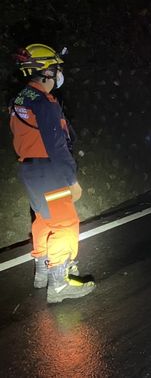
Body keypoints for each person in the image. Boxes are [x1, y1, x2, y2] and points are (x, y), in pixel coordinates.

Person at [9, 44, 95, 304]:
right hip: (49, 171)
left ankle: (42, 272)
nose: (58, 74)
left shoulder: (19, 99)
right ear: (45, 71)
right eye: (56, 68)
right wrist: (72, 180)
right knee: (65, 224)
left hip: (29, 169)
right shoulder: (45, 103)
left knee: (43, 220)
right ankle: (58, 284)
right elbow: (57, 145)